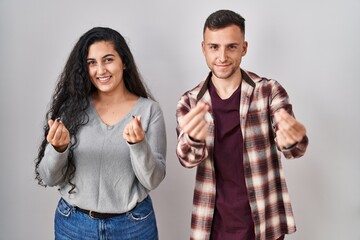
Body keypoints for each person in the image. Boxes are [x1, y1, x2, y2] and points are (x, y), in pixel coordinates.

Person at [176, 10, 309, 240]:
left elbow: (293, 146)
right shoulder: (190, 101)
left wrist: (293, 141)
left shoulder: (268, 91)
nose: (222, 56)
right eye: (214, 47)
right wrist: (194, 139)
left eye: (231, 47)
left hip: (264, 222)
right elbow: (187, 159)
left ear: (244, 48)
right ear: (203, 48)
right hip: (212, 225)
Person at [35, 27, 166, 240]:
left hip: (133, 227)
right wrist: (58, 149)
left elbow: (153, 180)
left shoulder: (149, 111)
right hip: (74, 226)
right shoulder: (72, 109)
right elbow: (49, 177)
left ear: (124, 62)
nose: (101, 70)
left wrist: (139, 145)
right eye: (92, 63)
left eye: (108, 60)